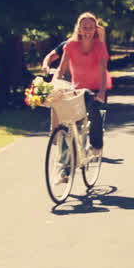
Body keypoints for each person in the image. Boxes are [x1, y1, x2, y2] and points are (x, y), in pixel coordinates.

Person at [55, 11, 108, 159]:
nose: (87, 31)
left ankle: (96, 145)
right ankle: (64, 167)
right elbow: (61, 68)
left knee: (94, 110)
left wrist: (102, 92)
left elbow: (103, 71)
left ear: (95, 29)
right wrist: (56, 86)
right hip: (77, 88)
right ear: (79, 29)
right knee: (68, 122)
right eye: (84, 27)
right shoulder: (70, 45)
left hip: (97, 88)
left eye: (91, 28)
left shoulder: (99, 46)